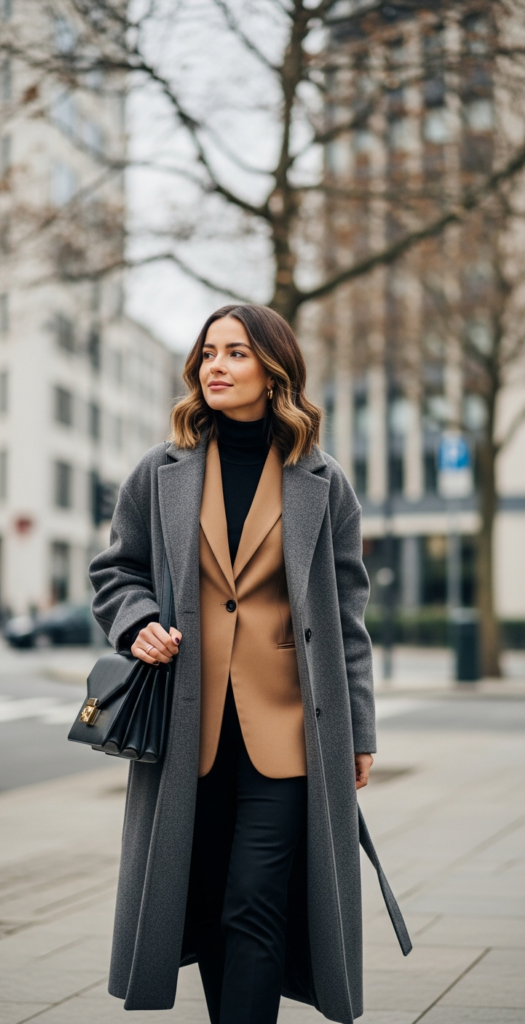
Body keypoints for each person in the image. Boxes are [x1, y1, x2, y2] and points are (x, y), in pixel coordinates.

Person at [89, 303, 408, 1024]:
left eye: (234, 354)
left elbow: (346, 617)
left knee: (253, 908)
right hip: (184, 730)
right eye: (207, 354)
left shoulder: (322, 481)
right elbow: (116, 571)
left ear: (273, 371)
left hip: (291, 734)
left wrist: (359, 729)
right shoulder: (158, 472)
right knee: (202, 912)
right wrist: (136, 622)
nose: (216, 368)